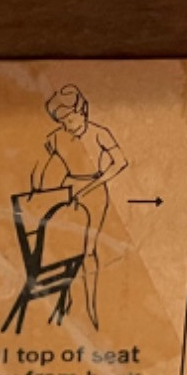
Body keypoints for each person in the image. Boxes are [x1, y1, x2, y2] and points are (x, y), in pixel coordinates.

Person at [31, 85, 129, 327]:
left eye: (71, 119)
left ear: (82, 110)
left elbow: (120, 162)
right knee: (65, 248)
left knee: (88, 251)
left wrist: (91, 186)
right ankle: (66, 302)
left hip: (94, 191)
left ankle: (90, 307)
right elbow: (41, 166)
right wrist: (39, 190)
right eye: (63, 121)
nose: (68, 125)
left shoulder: (99, 133)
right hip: (68, 191)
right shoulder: (56, 137)